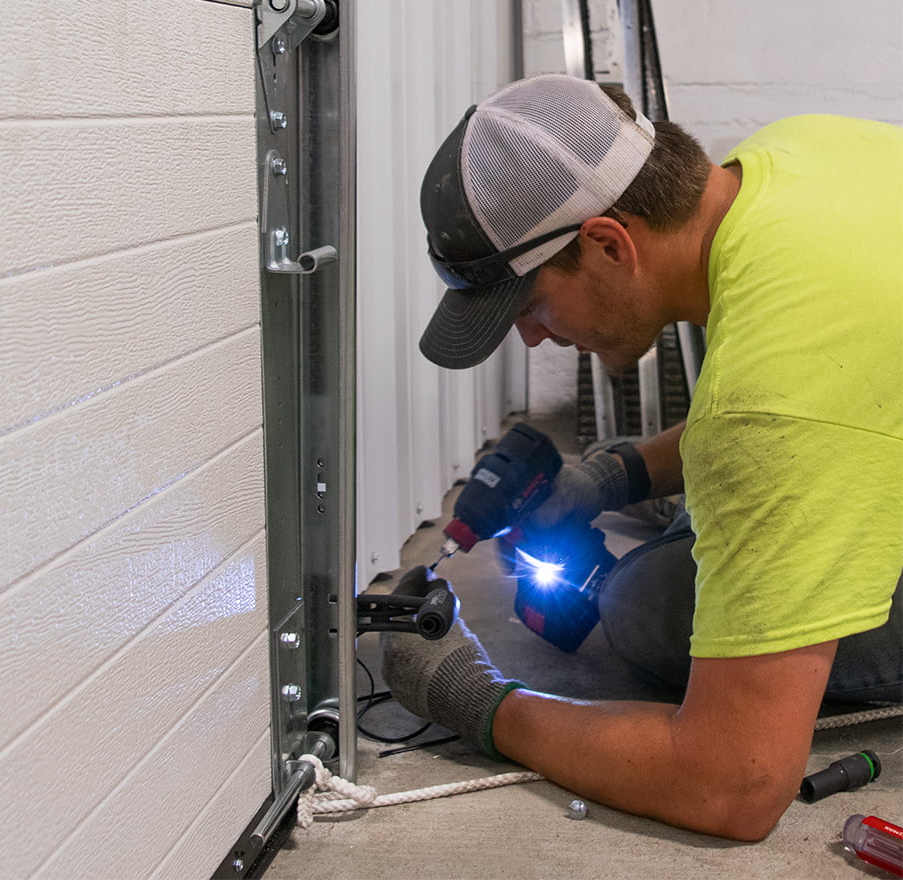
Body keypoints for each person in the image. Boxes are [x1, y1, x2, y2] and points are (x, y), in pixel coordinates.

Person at [382, 74, 902, 841]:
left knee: (651, 606)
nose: (531, 338)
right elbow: (843, 391)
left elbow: (732, 785)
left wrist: (479, 701)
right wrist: (620, 472)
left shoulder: (766, 402)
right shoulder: (794, 154)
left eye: (529, 308)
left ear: (607, 244)